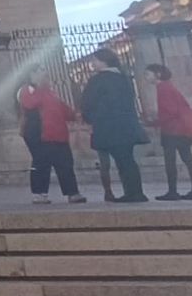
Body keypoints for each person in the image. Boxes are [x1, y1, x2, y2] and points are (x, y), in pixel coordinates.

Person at [80, 48, 150, 203]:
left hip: (108, 126)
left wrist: (90, 118)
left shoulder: (98, 80)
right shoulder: (123, 78)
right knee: (127, 159)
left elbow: (87, 102)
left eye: (95, 60)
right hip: (127, 125)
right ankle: (135, 192)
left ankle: (133, 193)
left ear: (103, 61)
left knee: (122, 161)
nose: (92, 63)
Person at [16, 65, 86, 204]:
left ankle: (72, 192)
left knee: (65, 164)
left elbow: (61, 107)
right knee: (41, 164)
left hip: (58, 133)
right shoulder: (26, 90)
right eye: (41, 70)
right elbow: (29, 104)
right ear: (32, 74)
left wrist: (74, 115)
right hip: (39, 133)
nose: (45, 72)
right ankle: (39, 193)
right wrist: (40, 88)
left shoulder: (50, 91)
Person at [145, 65, 192, 201]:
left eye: (148, 74)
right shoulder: (169, 87)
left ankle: (173, 191)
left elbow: (170, 111)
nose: (146, 78)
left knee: (170, 161)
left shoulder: (163, 89)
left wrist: (154, 122)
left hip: (171, 130)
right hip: (182, 129)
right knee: (188, 159)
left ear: (158, 74)